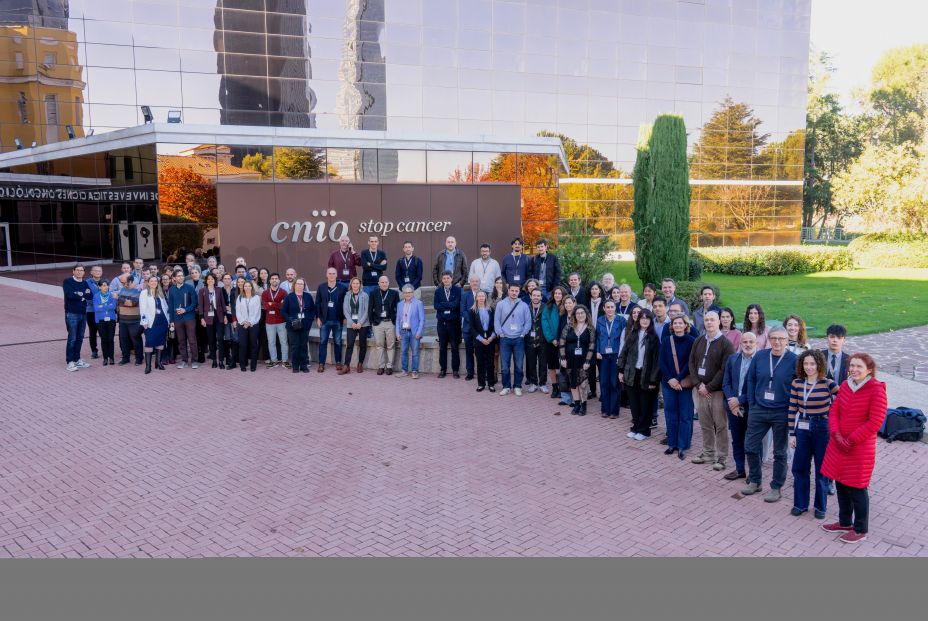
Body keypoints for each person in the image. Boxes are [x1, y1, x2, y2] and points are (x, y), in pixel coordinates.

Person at [820, 353, 888, 544]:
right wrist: (836, 434)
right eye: (852, 366)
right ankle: (844, 522)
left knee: (857, 488)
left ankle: (860, 529)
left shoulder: (876, 389)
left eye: (860, 367)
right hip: (838, 445)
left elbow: (875, 421)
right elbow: (834, 411)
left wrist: (849, 440)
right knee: (841, 483)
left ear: (869, 370)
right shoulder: (845, 385)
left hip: (858, 448)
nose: (855, 370)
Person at [742, 327, 798, 502]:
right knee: (750, 446)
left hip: (781, 411)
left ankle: (776, 487)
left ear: (787, 341)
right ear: (768, 339)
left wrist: (792, 408)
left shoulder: (794, 360)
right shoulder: (760, 356)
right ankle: (755, 481)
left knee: (780, 452)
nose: (777, 342)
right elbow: (750, 379)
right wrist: (752, 402)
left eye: (781, 339)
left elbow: (797, 385)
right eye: (773, 338)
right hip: (759, 408)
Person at [788, 350, 839, 519]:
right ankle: (800, 504)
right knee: (800, 467)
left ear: (819, 365)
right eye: (806, 364)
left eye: (812, 364)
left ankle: (820, 506)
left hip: (822, 428)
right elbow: (792, 409)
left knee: (821, 469)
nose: (809, 367)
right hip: (802, 427)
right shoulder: (797, 383)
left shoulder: (828, 383)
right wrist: (792, 434)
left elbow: (843, 401)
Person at [688, 311, 736, 471]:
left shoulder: (726, 344)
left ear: (719, 322)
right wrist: (698, 384)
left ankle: (722, 457)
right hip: (699, 389)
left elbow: (725, 370)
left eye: (712, 320)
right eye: (707, 320)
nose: (709, 322)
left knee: (720, 425)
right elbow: (691, 363)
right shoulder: (699, 340)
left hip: (716, 391)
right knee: (705, 423)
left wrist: (708, 387)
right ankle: (708, 452)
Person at [618, 309, 661, 438]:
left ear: (650, 320)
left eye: (647, 318)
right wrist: (620, 371)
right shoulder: (632, 334)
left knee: (645, 404)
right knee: (634, 403)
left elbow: (656, 362)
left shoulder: (654, 338)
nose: (644, 320)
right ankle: (635, 427)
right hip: (632, 374)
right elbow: (623, 354)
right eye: (642, 318)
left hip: (646, 376)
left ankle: (644, 430)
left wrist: (653, 380)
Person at [722, 331, 758, 481]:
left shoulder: (760, 361)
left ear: (756, 344)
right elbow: (726, 382)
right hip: (733, 408)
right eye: (745, 342)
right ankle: (739, 469)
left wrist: (740, 400)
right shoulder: (732, 359)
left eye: (751, 342)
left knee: (752, 442)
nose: (748, 345)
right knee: (736, 439)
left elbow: (758, 387)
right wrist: (732, 401)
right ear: (740, 343)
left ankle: (754, 473)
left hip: (751, 408)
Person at [659, 314, 696, 458]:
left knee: (685, 415)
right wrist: (670, 379)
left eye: (681, 323)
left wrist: (678, 379)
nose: (678, 326)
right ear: (672, 326)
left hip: (684, 384)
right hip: (669, 384)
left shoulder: (692, 341)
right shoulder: (667, 341)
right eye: (675, 323)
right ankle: (672, 443)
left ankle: (683, 445)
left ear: (686, 325)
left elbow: (690, 363)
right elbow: (661, 362)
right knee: (670, 414)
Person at [494, 282, 532, 396]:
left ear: (519, 292)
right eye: (512, 290)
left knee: (519, 366)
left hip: (519, 339)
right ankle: (506, 386)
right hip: (505, 339)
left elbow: (528, 321)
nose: (514, 293)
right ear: (508, 290)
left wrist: (523, 334)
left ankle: (517, 386)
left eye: (516, 291)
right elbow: (496, 320)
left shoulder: (524, 305)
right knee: (505, 366)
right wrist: (500, 333)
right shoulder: (501, 304)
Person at [558, 305, 596, 414]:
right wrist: (563, 358)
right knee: (573, 382)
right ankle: (577, 403)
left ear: (586, 314)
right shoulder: (568, 326)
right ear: (574, 315)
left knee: (583, 383)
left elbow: (592, 345)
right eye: (578, 313)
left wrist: (588, 361)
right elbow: (561, 342)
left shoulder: (590, 328)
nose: (580, 315)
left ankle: (584, 405)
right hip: (570, 359)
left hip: (583, 360)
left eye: (582, 313)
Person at [596, 300, 626, 419]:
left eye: (612, 307)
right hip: (603, 355)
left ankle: (614, 411)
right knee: (604, 382)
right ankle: (605, 409)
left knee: (614, 383)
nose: (609, 309)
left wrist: (622, 355)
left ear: (615, 308)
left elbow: (624, 338)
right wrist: (597, 351)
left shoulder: (621, 320)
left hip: (615, 354)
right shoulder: (600, 320)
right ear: (604, 308)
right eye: (607, 307)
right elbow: (597, 337)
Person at [315, 268, 347, 373]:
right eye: (330, 273)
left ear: (336, 275)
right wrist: (318, 317)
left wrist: (345, 317)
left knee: (337, 342)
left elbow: (345, 304)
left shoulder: (342, 288)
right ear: (326, 275)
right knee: (323, 342)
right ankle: (321, 364)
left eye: (333, 273)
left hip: (338, 320)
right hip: (325, 320)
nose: (332, 275)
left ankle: (338, 362)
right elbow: (318, 304)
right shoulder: (321, 287)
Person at [281, 277, 316, 373]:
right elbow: (283, 311)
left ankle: (304, 366)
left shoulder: (308, 296)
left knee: (303, 345)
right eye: (298, 284)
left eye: (302, 284)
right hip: (293, 326)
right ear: (294, 285)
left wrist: (309, 321)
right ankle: (295, 366)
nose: (300, 285)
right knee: (295, 346)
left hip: (305, 325)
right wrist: (289, 320)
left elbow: (313, 310)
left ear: (304, 286)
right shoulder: (289, 297)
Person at [62, 264, 93, 372]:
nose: (79, 272)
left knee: (80, 338)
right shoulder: (68, 281)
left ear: (84, 272)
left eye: (82, 270)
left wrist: (80, 294)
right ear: (73, 271)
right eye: (77, 270)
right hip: (72, 314)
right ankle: (70, 361)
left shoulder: (84, 282)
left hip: (83, 313)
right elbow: (70, 295)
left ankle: (77, 359)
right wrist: (82, 294)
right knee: (72, 338)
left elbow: (90, 295)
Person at [167, 269, 199, 369]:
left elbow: (194, 303)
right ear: (174, 278)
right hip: (177, 319)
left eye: (182, 275)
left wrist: (185, 310)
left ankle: (194, 360)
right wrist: (171, 320)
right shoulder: (171, 290)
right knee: (181, 340)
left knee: (192, 340)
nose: (181, 277)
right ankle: (184, 360)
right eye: (179, 276)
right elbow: (171, 306)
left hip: (189, 318)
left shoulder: (190, 288)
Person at [434, 271, 463, 378]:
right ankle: (443, 369)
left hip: (454, 323)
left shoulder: (458, 290)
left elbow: (456, 304)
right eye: (444, 278)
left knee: (455, 347)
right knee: (442, 347)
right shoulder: (438, 291)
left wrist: (445, 304)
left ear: (452, 279)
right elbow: (436, 305)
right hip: (442, 323)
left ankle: (455, 370)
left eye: (448, 278)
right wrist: (449, 306)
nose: (446, 280)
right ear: (442, 280)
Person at [140, 275, 169, 373]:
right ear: (148, 283)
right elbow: (142, 308)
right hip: (151, 322)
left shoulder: (160, 293)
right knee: (149, 342)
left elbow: (165, 307)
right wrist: (144, 321)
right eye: (151, 281)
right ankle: (148, 366)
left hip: (162, 321)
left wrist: (168, 320)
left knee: (161, 342)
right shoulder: (144, 293)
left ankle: (158, 362)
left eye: (155, 281)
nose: (153, 282)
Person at [541, 286, 567, 399]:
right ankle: (555, 387)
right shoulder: (548, 307)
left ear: (563, 295)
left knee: (563, 365)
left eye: (560, 293)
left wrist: (561, 340)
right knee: (552, 366)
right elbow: (545, 323)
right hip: (551, 342)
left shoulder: (566, 307)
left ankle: (563, 388)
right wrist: (552, 339)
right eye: (556, 293)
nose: (558, 295)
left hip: (564, 342)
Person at [370, 275, 399, 375]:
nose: (384, 284)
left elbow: (397, 309)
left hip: (390, 323)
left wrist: (396, 322)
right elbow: (370, 309)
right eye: (382, 282)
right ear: (379, 283)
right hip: (378, 323)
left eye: (386, 282)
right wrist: (372, 323)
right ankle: (381, 366)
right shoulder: (373, 293)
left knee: (391, 345)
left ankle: (389, 366)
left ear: (388, 283)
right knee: (379, 345)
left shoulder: (394, 293)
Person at [341, 277, 370, 374]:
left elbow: (367, 311)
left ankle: (360, 364)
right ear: (351, 285)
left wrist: (360, 323)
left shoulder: (365, 295)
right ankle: (346, 366)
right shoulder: (347, 295)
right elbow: (345, 310)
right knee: (349, 345)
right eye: (354, 283)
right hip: (351, 324)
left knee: (362, 344)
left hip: (363, 324)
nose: (355, 285)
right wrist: (352, 322)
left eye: (357, 283)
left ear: (360, 285)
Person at [198, 273, 227, 369]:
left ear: (215, 280)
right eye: (208, 279)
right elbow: (200, 306)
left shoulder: (219, 290)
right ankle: (214, 360)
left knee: (220, 339)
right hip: (208, 318)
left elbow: (223, 304)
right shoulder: (202, 291)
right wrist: (201, 318)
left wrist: (225, 315)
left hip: (219, 317)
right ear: (206, 281)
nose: (210, 280)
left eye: (212, 279)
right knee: (211, 340)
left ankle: (221, 361)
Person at [395, 284, 425, 378]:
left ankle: (415, 371)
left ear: (413, 293)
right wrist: (397, 332)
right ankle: (404, 371)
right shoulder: (400, 304)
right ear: (403, 293)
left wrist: (419, 332)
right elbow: (397, 319)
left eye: (409, 292)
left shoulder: (418, 303)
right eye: (406, 292)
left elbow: (422, 320)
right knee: (403, 352)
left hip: (414, 332)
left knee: (415, 352)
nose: (407, 294)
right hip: (403, 331)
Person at [470, 290, 497, 392]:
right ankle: (481, 384)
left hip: (490, 340)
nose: (481, 298)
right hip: (478, 341)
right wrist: (481, 339)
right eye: (479, 296)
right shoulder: (472, 311)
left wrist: (492, 337)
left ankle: (491, 384)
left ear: (486, 298)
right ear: (476, 298)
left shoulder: (491, 310)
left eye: (483, 296)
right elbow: (472, 328)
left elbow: (495, 325)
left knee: (490, 363)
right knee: (480, 363)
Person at [261, 273, 289, 369]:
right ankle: (274, 361)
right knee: (271, 342)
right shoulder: (265, 293)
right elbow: (265, 306)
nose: (274, 280)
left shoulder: (284, 292)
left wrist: (271, 304)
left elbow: (284, 306)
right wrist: (277, 304)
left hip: (281, 321)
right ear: (269, 281)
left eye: (276, 278)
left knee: (284, 342)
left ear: (279, 280)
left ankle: (285, 361)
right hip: (269, 322)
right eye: (272, 278)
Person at [116, 274, 144, 366]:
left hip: (134, 320)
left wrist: (119, 298)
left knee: (136, 340)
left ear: (131, 281)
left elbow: (132, 303)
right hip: (123, 320)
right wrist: (124, 300)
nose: (123, 284)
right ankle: (125, 358)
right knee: (123, 340)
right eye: (122, 282)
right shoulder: (123, 290)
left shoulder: (138, 291)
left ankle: (139, 358)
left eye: (125, 282)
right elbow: (124, 302)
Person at [524, 289, 547, 394]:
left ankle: (542, 383)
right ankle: (533, 383)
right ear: (530, 296)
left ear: (541, 297)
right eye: (534, 295)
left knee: (543, 363)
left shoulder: (546, 308)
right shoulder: (526, 307)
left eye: (538, 295)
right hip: (529, 339)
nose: (536, 297)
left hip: (542, 340)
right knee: (531, 363)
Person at [235, 280, 261, 372]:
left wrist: (250, 322)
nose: (247, 287)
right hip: (242, 325)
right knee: (243, 345)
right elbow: (238, 311)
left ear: (251, 287)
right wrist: (243, 322)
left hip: (254, 324)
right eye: (245, 286)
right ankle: (243, 365)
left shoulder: (256, 298)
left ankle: (253, 365)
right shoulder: (240, 297)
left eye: (248, 286)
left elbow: (257, 312)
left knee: (253, 345)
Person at [556, 295, 577, 406]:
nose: (568, 305)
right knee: (563, 373)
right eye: (566, 303)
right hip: (564, 349)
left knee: (574, 373)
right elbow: (560, 334)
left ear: (574, 303)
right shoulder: (563, 317)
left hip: (575, 350)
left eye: (570, 303)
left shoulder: (578, 316)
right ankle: (565, 397)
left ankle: (575, 398)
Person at [460, 275, 482, 381]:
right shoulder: (465, 295)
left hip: (480, 330)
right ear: (470, 283)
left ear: (479, 283)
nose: (474, 283)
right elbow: (463, 311)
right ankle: (470, 372)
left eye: (476, 281)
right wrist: (472, 320)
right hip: (468, 329)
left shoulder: (484, 294)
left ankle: (481, 372)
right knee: (469, 352)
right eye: (473, 281)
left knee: (480, 352)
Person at [92, 278, 117, 366]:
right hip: (100, 320)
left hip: (111, 319)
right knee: (104, 339)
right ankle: (105, 358)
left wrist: (102, 305)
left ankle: (112, 358)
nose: (106, 287)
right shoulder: (96, 296)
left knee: (110, 339)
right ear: (99, 287)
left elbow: (113, 306)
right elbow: (96, 308)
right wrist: (107, 305)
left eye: (107, 285)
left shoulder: (112, 295)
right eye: (103, 285)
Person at [84, 265, 103, 359]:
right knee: (93, 331)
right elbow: (87, 297)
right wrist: (98, 303)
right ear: (91, 272)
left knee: (103, 330)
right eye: (95, 270)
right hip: (91, 311)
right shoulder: (86, 283)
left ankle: (105, 350)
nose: (97, 272)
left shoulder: (104, 282)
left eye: (99, 270)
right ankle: (94, 351)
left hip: (102, 311)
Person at [219, 273, 236, 369]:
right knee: (227, 338)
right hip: (224, 317)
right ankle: (227, 357)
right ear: (222, 280)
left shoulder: (235, 290)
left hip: (234, 317)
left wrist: (232, 308)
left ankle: (234, 357)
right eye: (225, 278)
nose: (227, 280)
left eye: (229, 278)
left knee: (234, 338)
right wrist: (225, 309)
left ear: (231, 280)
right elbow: (218, 304)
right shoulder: (220, 291)